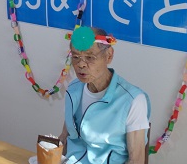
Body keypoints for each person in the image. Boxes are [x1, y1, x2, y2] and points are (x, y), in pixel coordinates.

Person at [59, 26, 150, 164]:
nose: (81, 64)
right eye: (76, 57)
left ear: (109, 55)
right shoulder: (73, 89)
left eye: (90, 57)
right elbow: (64, 138)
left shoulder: (133, 100)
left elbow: (136, 160)